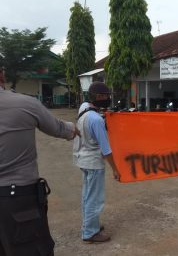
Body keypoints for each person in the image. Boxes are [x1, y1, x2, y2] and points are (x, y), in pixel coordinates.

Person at [0, 69, 79, 255]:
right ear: (2, 75)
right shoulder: (26, 103)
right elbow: (58, 128)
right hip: (18, 199)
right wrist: (73, 129)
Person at [73, 81, 121, 243]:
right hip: (94, 163)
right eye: (107, 96)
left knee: (87, 196)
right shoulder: (96, 120)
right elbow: (106, 150)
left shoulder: (84, 108)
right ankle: (90, 233)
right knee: (94, 198)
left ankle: (90, 225)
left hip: (83, 159)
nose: (108, 99)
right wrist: (115, 169)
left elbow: (91, 113)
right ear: (99, 97)